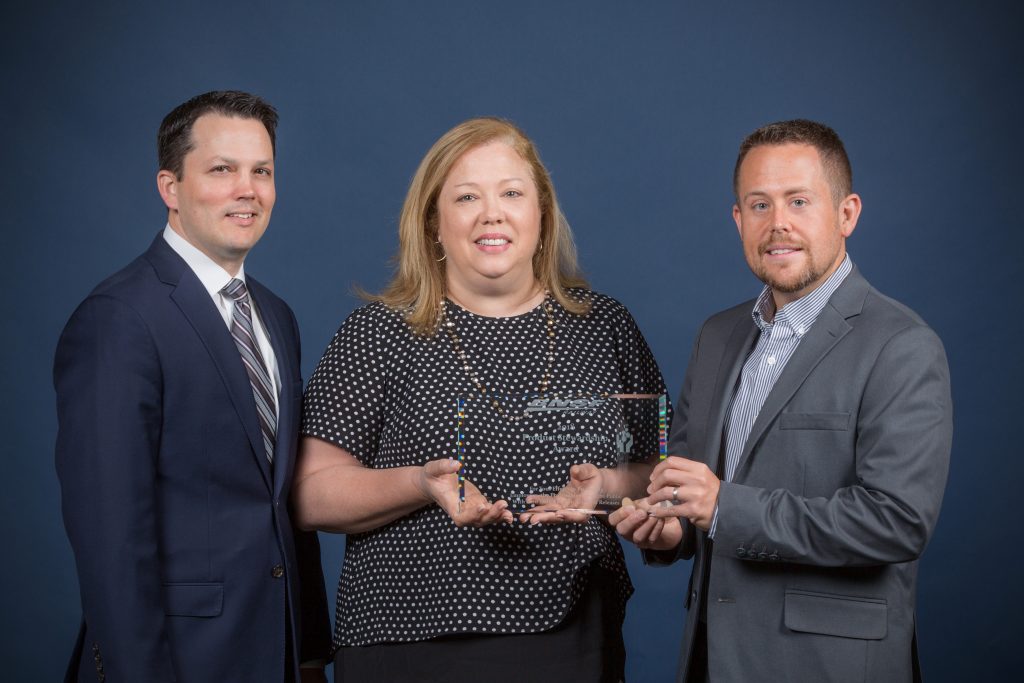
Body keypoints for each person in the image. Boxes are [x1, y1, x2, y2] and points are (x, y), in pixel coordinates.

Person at [294, 117, 667, 682]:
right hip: (406, 640)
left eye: (512, 194)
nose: (492, 213)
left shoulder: (605, 326)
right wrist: (418, 484)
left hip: (572, 639)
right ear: (434, 224)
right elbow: (309, 493)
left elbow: (659, 471)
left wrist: (610, 487)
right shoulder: (376, 333)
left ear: (541, 215)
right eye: (467, 196)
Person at [611, 119, 952, 682]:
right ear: (738, 220)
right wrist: (671, 528)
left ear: (847, 214)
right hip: (710, 659)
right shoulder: (717, 336)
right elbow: (689, 490)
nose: (779, 224)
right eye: (760, 205)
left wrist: (724, 508)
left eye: (799, 201)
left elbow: (896, 521)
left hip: (829, 665)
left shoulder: (901, 345)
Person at [54, 90, 330, 683]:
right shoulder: (119, 317)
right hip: (175, 659)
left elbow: (277, 500)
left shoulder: (275, 317)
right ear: (170, 187)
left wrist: (307, 653)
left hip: (273, 654)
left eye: (262, 171)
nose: (247, 190)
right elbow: (109, 534)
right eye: (222, 170)